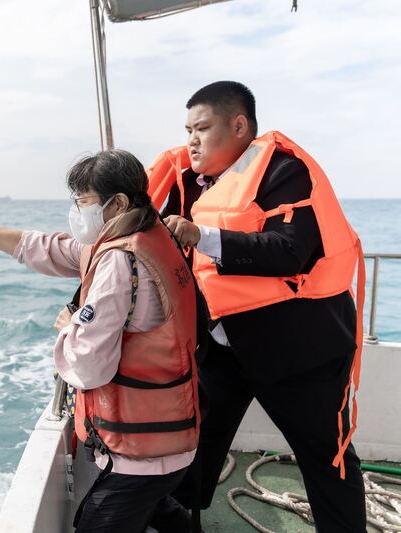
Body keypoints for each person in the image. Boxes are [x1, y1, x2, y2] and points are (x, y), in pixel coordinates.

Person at [0, 149, 201, 533]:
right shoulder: (150, 236)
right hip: (171, 433)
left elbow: (88, 366)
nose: (76, 210)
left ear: (116, 203)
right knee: (162, 515)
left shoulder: (120, 261)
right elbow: (42, 247)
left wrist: (68, 325)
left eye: (83, 201)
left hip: (142, 453)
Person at [147, 81, 367, 532]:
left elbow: (292, 250)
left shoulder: (285, 172)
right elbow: (144, 238)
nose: (191, 140)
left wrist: (201, 235)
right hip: (226, 349)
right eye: (187, 129)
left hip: (300, 353)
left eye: (202, 128)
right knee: (195, 443)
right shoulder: (189, 181)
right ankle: (173, 522)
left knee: (328, 459)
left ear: (239, 126)